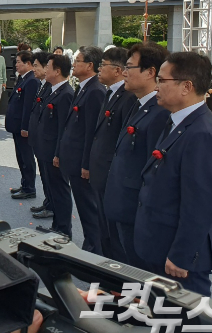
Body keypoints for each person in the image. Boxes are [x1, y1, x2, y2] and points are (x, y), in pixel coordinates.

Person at [134, 52, 212, 296]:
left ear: (186, 87)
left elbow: (199, 204)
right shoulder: (176, 121)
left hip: (177, 258)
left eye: (162, 81)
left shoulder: (203, 134)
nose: (156, 87)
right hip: (159, 243)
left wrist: (181, 255)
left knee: (180, 325)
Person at [104, 42, 170, 268]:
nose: (124, 72)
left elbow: (155, 173)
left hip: (137, 212)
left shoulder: (160, 113)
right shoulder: (139, 104)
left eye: (130, 67)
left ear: (151, 72)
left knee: (142, 274)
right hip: (124, 205)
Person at [87, 47, 136, 261]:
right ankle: (107, 269)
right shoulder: (111, 93)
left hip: (111, 173)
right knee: (104, 227)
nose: (99, 69)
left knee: (115, 233)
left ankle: (116, 279)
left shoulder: (128, 98)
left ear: (118, 70)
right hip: (100, 170)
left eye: (103, 65)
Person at [54, 46, 104, 252]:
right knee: (84, 208)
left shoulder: (95, 91)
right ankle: (90, 244)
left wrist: (86, 164)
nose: (73, 64)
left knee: (89, 209)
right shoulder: (84, 87)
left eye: (78, 61)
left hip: (81, 163)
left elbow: (92, 132)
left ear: (90, 65)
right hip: (72, 158)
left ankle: (94, 248)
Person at [34, 54, 74, 236]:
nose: (45, 70)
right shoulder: (53, 90)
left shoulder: (65, 94)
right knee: (53, 189)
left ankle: (63, 228)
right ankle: (57, 226)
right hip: (46, 149)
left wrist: (59, 153)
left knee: (60, 190)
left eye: (48, 67)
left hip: (54, 152)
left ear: (57, 71)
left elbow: (63, 128)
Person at [6, 51, 39, 200]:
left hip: (22, 127)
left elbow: (28, 106)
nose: (16, 65)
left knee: (26, 158)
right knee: (20, 157)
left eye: (19, 62)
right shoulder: (23, 78)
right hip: (16, 125)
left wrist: (25, 127)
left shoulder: (31, 80)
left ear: (29, 64)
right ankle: (24, 183)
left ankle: (29, 187)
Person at [26, 51, 53, 219]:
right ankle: (48, 202)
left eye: (36, 65)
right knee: (45, 177)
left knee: (53, 180)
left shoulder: (53, 88)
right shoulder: (42, 84)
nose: (33, 68)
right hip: (40, 140)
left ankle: (52, 207)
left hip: (48, 143)